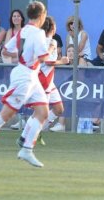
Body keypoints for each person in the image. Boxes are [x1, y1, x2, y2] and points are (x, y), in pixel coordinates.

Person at [0, 1, 50, 168]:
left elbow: (6, 50)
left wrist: (23, 54)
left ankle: (27, 149)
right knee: (6, 115)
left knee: (43, 112)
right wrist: (53, 54)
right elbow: (44, 57)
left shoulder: (23, 31)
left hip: (30, 74)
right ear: (42, 15)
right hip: (25, 75)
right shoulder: (38, 33)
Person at [16, 16, 69, 146]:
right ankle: (24, 138)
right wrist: (62, 62)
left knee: (59, 109)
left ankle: (36, 131)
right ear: (52, 28)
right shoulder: (49, 42)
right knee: (39, 112)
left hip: (49, 81)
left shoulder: (47, 41)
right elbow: (47, 61)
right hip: (42, 80)